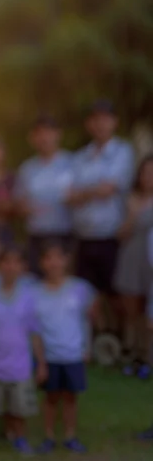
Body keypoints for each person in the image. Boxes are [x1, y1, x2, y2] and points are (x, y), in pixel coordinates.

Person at [0, 245, 46, 456]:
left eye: (16, 262)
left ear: (22, 267)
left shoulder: (30, 296)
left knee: (19, 408)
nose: (10, 267)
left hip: (20, 364)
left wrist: (41, 363)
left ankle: (20, 440)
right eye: (6, 262)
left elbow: (35, 333)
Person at [67, 99, 135, 326]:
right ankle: (95, 338)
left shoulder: (123, 152)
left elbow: (109, 189)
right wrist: (94, 190)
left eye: (105, 119)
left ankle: (120, 340)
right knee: (86, 296)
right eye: (95, 119)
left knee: (116, 295)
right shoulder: (79, 157)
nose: (100, 124)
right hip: (84, 237)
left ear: (114, 122)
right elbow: (70, 196)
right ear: (89, 124)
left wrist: (83, 193)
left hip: (111, 237)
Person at [33, 242, 96, 453]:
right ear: (42, 263)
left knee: (70, 397)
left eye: (58, 258)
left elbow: (87, 320)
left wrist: (87, 347)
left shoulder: (81, 288)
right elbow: (34, 328)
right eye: (48, 258)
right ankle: (49, 436)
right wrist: (39, 359)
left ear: (66, 260)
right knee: (50, 397)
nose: (54, 263)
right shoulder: (35, 292)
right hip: (49, 354)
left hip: (73, 353)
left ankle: (70, 436)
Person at [15, 115, 75, 274]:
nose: (44, 138)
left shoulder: (72, 163)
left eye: (48, 132)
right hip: (36, 235)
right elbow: (19, 203)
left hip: (64, 234)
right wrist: (24, 209)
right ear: (32, 138)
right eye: (39, 133)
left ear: (58, 134)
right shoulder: (27, 168)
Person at [114, 156, 153, 376]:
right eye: (145, 173)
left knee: (150, 311)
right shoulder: (129, 200)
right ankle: (133, 353)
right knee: (132, 312)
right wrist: (133, 214)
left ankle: (148, 356)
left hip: (151, 258)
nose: (149, 177)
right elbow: (120, 234)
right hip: (132, 255)